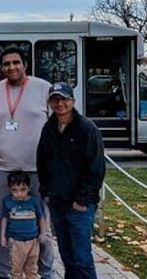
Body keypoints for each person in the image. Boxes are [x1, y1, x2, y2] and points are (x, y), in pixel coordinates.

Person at [0, 47, 55, 279]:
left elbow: (57, 125)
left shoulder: (43, 88)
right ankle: (4, 271)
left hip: (36, 168)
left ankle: (46, 271)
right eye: (6, 64)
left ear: (24, 65)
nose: (11, 67)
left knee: (42, 221)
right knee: (2, 220)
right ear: (1, 68)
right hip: (3, 168)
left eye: (16, 63)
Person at [37, 82, 106, 279]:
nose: (60, 103)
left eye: (64, 99)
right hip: (57, 203)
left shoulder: (87, 129)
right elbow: (42, 161)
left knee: (82, 259)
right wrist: (46, 192)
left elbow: (96, 169)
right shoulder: (48, 128)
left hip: (79, 207)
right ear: (50, 103)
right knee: (67, 256)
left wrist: (83, 201)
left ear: (72, 101)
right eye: (55, 99)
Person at [0, 171, 46, 279]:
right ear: (9, 189)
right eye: (14, 190)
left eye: (23, 189)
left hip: (33, 241)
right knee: (16, 269)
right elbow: (5, 218)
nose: (19, 194)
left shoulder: (34, 201)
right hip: (16, 242)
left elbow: (41, 218)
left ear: (29, 188)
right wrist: (2, 236)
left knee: (32, 269)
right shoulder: (8, 201)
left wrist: (43, 233)